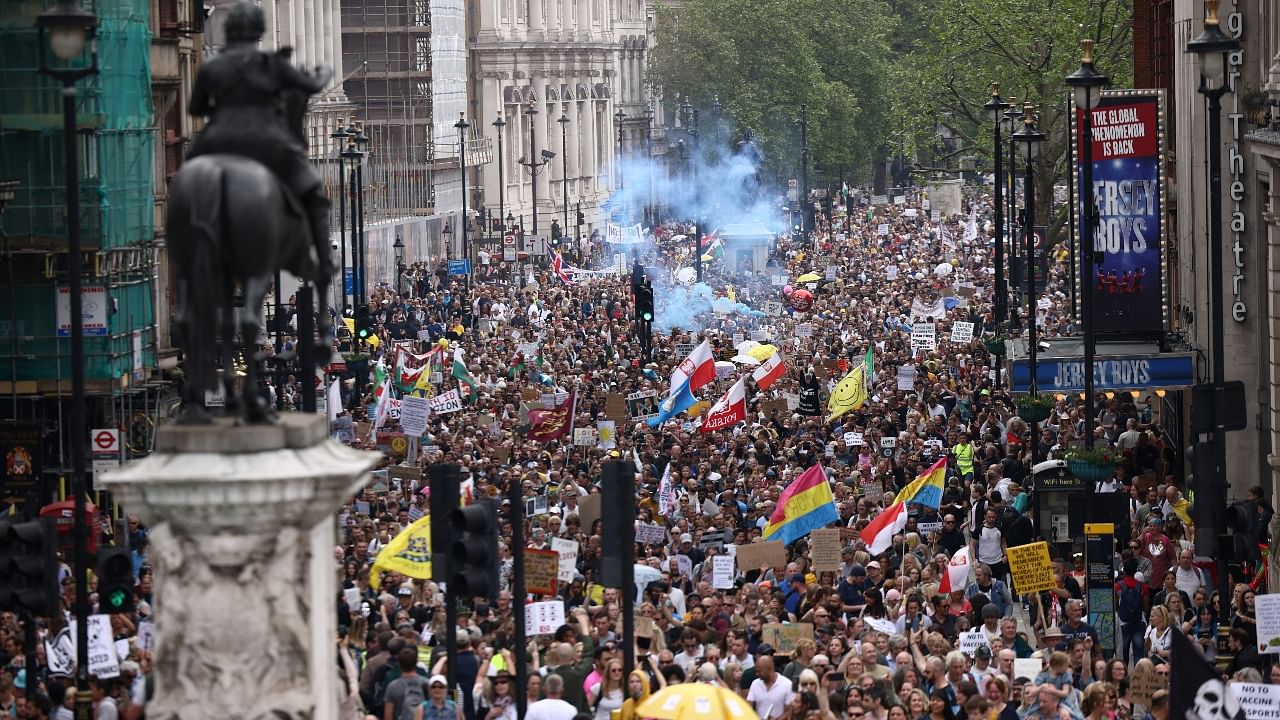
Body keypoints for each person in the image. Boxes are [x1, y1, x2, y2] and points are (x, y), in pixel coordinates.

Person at [186, 1, 334, 280]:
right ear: (258, 31)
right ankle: (324, 263)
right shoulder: (271, 64)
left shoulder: (212, 66)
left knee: (185, 181)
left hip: (216, 142)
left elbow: (195, 109)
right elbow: (312, 86)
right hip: (265, 143)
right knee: (314, 191)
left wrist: (222, 112)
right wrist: (324, 71)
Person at [747, 655, 795, 719]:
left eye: (759, 671)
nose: (757, 674)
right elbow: (749, 706)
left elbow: (789, 711)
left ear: (769, 669)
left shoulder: (787, 684)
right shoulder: (755, 684)